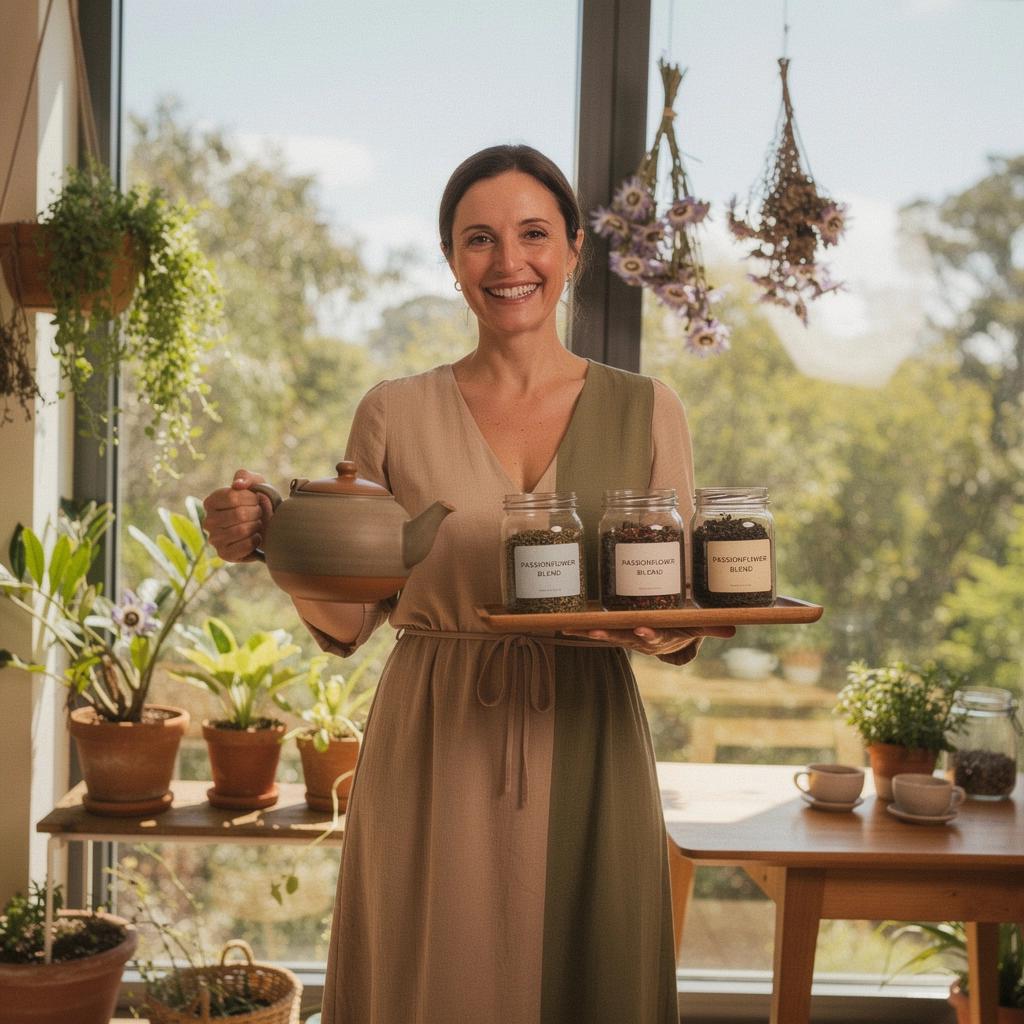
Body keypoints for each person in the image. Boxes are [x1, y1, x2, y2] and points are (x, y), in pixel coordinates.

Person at [203, 144, 734, 1024]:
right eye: (478, 239)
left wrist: (654, 632)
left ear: (572, 248)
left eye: (533, 234)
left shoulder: (649, 408)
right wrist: (267, 544)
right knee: (431, 982)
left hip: (588, 729)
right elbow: (348, 617)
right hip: (435, 735)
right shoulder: (393, 410)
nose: (508, 262)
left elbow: (672, 607)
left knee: (589, 977)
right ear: (451, 263)